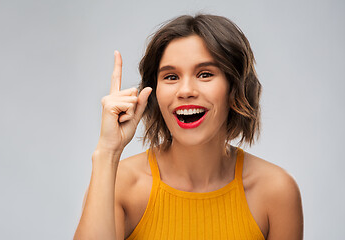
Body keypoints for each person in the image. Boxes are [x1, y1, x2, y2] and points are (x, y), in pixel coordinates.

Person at [74, 14, 303, 240]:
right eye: (171, 77)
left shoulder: (276, 191)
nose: (185, 91)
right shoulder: (118, 184)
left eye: (205, 74)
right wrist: (107, 152)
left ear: (235, 89)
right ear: (154, 93)